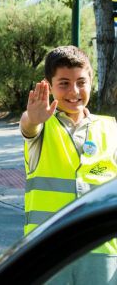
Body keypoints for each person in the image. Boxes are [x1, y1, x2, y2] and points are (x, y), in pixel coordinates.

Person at [20, 45, 117, 283]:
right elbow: (28, 125)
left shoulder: (110, 127)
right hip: (47, 248)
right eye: (63, 83)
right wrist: (33, 118)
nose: (74, 91)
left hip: (101, 249)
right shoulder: (41, 125)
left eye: (81, 82)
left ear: (91, 81)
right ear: (48, 85)